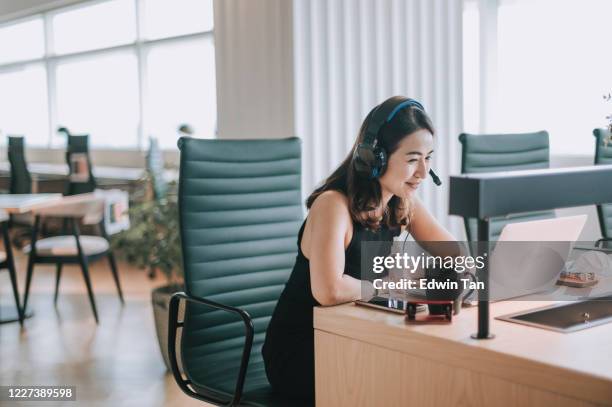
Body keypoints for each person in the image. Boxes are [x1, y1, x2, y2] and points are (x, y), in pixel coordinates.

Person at [262, 96, 456, 401]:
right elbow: (329, 290)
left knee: (432, 374)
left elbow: (453, 251)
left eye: (428, 158)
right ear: (374, 157)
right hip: (305, 350)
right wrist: (390, 286)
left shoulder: (400, 199)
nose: (422, 172)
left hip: (355, 335)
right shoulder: (333, 205)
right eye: (412, 159)